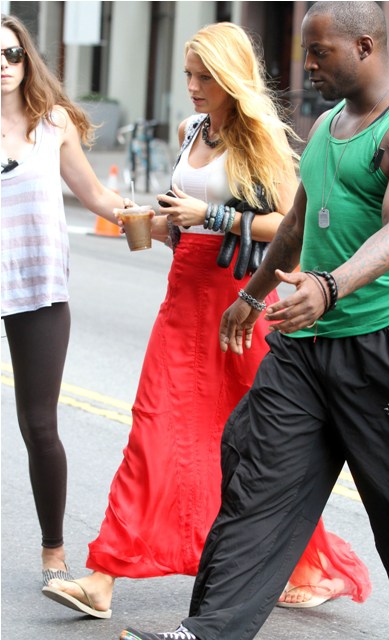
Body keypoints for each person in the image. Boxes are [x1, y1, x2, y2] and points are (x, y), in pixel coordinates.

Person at [118, 3, 389, 640]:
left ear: (366, 46)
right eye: (306, 51)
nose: (308, 64)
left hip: (386, 349)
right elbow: (294, 226)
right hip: (305, 347)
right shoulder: (325, 125)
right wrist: (252, 294)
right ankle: (207, 631)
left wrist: (329, 285)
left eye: (320, 52)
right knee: (256, 482)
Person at [42, 21, 370, 619]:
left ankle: (307, 562)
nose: (192, 87)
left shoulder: (262, 138)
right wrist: (156, 223)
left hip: (240, 301)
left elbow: (289, 224)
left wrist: (213, 216)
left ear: (230, 79)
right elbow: (185, 218)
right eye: (188, 75)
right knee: (153, 426)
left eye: (204, 77)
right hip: (182, 295)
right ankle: (103, 574)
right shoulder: (193, 129)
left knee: (258, 446)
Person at [1, 14, 133, 587]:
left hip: (38, 287)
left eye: (12, 54)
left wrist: (148, 218)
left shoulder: (52, 124)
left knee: (40, 425)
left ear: (26, 59)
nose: (4, 65)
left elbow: (96, 194)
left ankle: (53, 552)